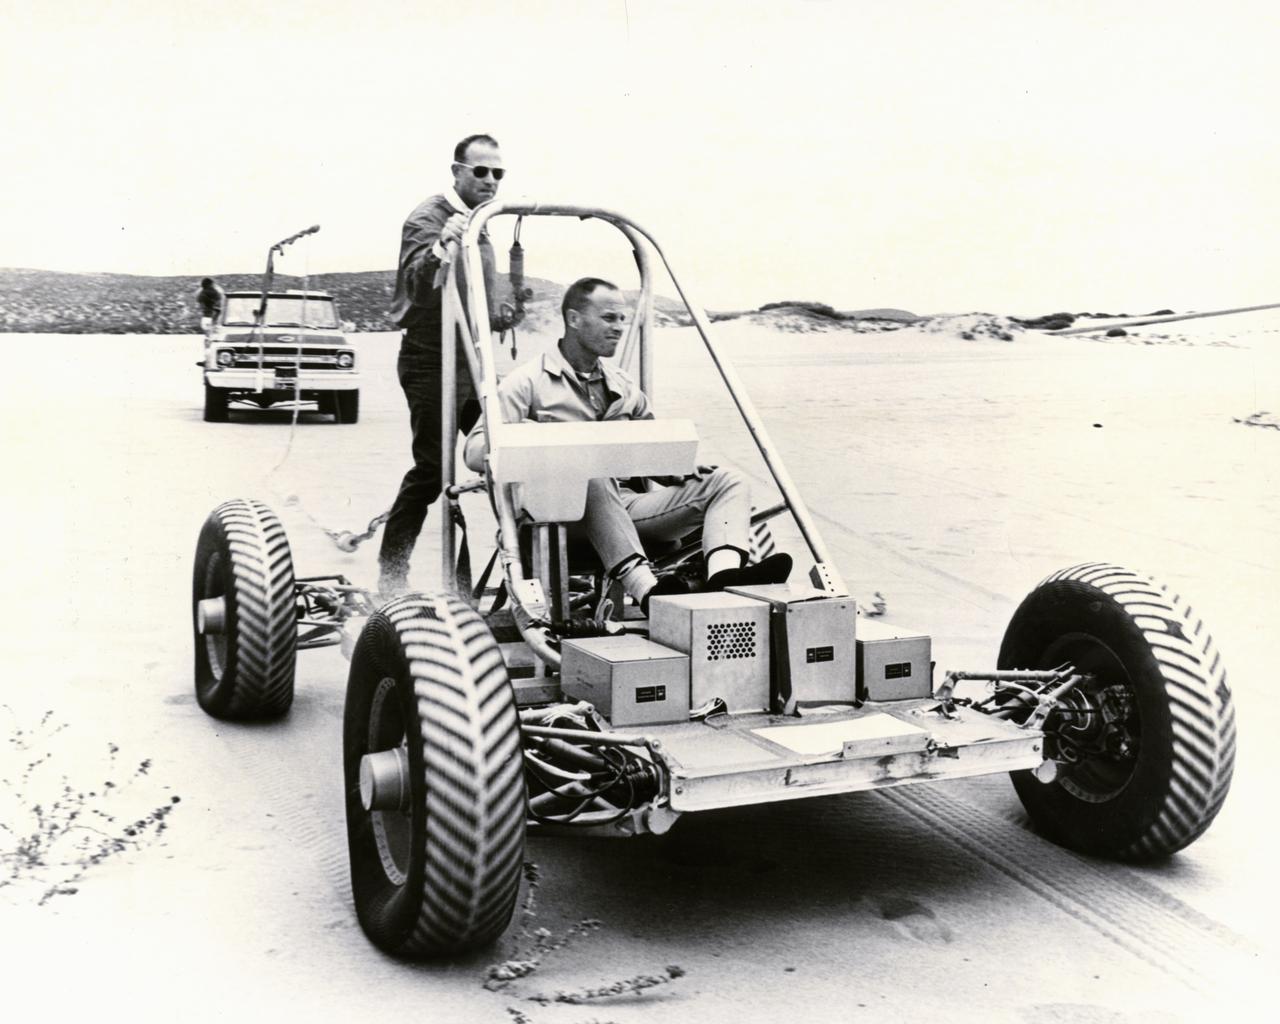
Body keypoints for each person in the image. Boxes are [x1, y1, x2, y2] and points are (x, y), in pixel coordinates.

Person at [465, 277, 791, 613]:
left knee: (728, 481)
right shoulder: (527, 382)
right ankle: (648, 591)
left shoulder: (623, 385)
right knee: (587, 467)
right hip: (555, 520)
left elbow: (654, 449)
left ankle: (724, 579)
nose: (619, 328)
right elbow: (475, 451)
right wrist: (539, 441)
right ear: (575, 319)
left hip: (625, 509)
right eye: (609, 318)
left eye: (622, 319)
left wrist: (677, 469)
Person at [378, 133, 506, 595]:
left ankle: (519, 572)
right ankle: (390, 577)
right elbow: (415, 288)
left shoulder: (482, 221)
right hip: (430, 361)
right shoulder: (429, 219)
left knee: (508, 457)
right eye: (480, 171)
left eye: (498, 173)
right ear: (457, 172)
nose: (490, 180)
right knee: (432, 471)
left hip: (471, 362)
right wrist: (439, 248)